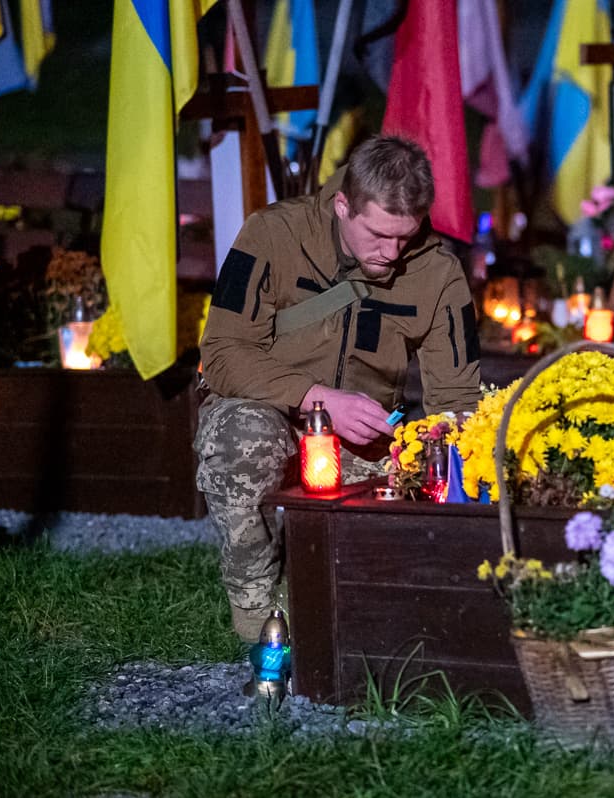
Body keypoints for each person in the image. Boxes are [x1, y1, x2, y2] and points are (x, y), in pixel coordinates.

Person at [195, 135, 482, 643]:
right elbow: (222, 352)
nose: (390, 253)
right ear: (343, 205)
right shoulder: (272, 234)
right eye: (378, 234)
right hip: (268, 412)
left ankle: (351, 592)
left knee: (432, 471)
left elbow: (457, 402)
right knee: (242, 439)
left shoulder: (439, 272)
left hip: (365, 439)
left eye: (405, 237)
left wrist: (432, 459)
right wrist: (319, 398)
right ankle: (257, 606)